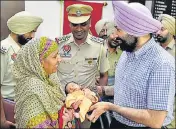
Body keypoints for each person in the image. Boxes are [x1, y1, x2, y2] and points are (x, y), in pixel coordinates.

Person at [87, 1, 175, 129]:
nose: (115, 35)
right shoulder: (127, 53)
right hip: (118, 124)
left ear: (136, 31)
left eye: (118, 29)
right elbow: (128, 89)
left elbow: (155, 120)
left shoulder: (161, 63)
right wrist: (101, 90)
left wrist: (111, 107)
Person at [56, 4, 110, 128]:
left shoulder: (99, 47)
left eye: (83, 24)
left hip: (85, 107)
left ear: (90, 23)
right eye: (75, 24)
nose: (79, 29)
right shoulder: (59, 44)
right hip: (60, 104)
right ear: (69, 24)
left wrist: (95, 98)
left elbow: (103, 75)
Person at [12, 37, 74, 128]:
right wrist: (64, 123)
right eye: (54, 56)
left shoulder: (51, 77)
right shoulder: (33, 88)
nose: (60, 59)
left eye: (58, 55)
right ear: (39, 62)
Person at [0, 11, 43, 128]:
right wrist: (2, 120)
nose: (33, 36)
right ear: (19, 28)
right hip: (8, 108)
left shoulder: (26, 49)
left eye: (34, 31)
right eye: (30, 31)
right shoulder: (3, 50)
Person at [157, 14, 175, 129]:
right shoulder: (154, 50)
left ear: (172, 31)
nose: (158, 33)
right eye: (157, 29)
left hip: (171, 114)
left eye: (162, 29)